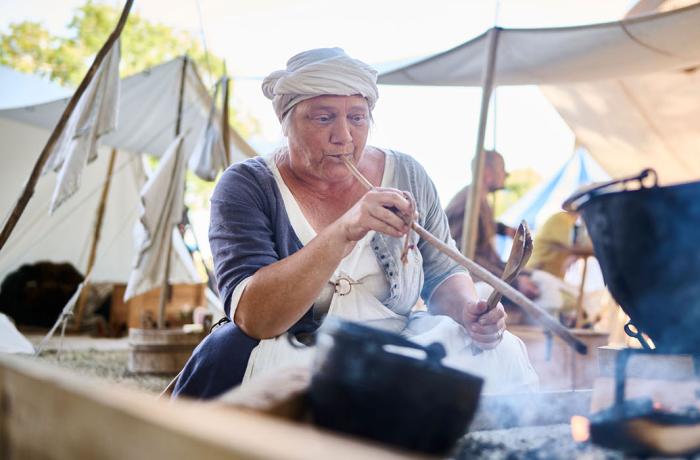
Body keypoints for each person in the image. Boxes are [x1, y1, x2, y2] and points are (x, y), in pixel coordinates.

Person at [172, 48, 539, 399]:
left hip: (400, 343)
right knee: (236, 355)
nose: (344, 136)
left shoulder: (407, 174)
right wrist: (346, 230)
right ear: (286, 121)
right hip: (297, 349)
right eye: (323, 117)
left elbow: (443, 273)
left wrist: (469, 311)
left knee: (498, 352)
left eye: (357, 117)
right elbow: (256, 318)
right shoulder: (247, 186)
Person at [445, 150, 541, 309]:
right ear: (488, 172)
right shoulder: (469, 202)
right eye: (502, 169)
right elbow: (464, 257)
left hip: (481, 274)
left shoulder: (478, 200)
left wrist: (503, 230)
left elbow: (483, 228)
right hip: (469, 285)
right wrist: (515, 282)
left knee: (537, 277)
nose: (506, 175)